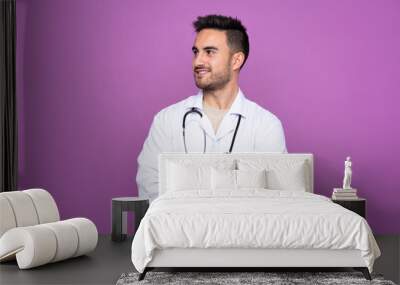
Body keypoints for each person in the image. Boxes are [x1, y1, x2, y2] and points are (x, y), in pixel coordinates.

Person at [137, 15, 287, 202]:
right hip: (180, 228)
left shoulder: (266, 125)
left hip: (242, 229)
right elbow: (149, 185)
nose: (197, 61)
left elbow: (273, 195)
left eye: (209, 52)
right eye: (195, 52)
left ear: (236, 60)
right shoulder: (167, 120)